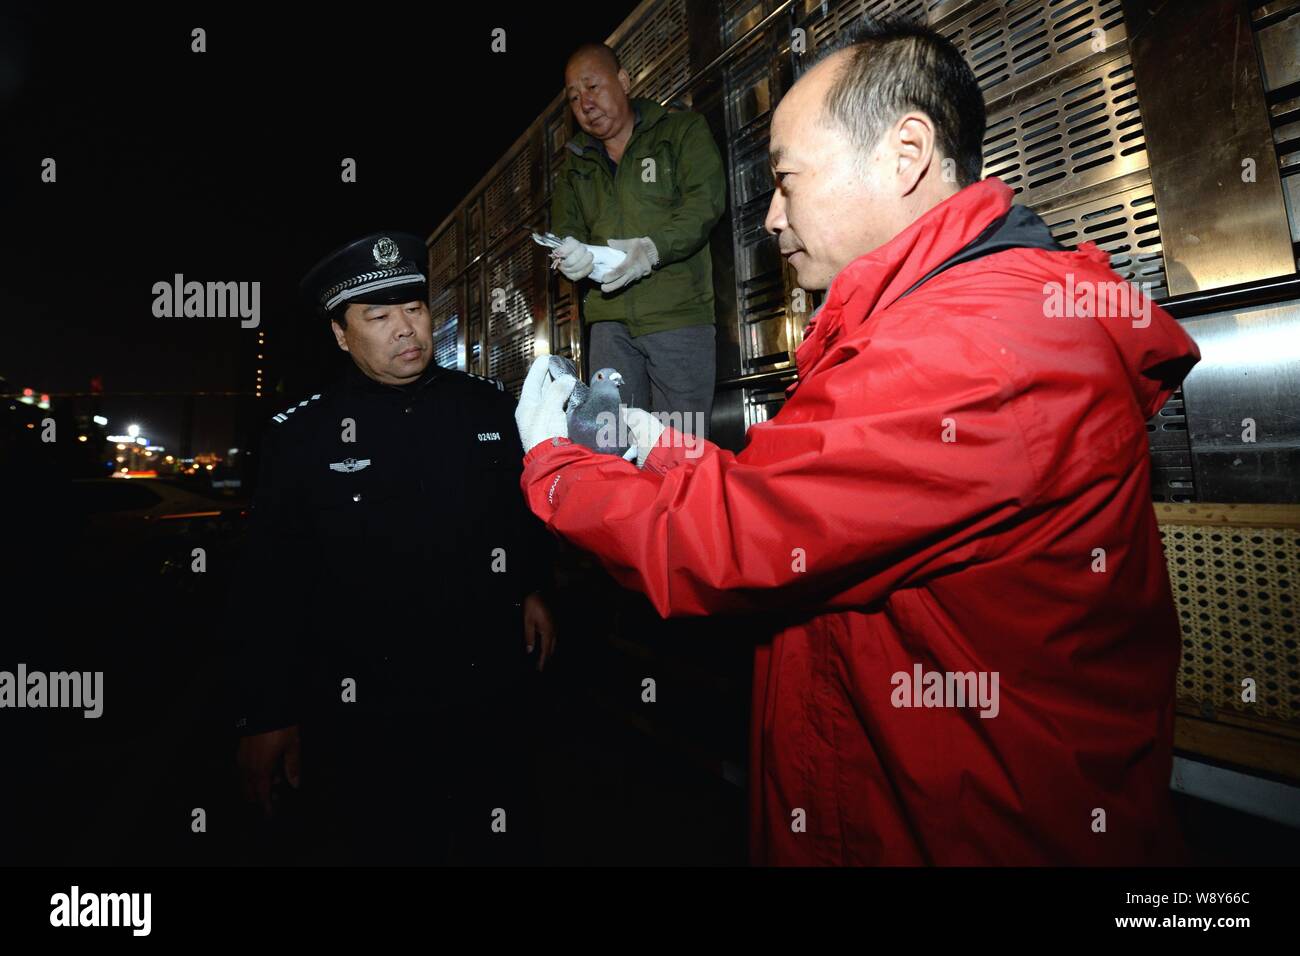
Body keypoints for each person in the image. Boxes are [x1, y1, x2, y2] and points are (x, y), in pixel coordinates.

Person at [513, 19, 1200, 865]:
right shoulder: (942, 322)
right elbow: (805, 492)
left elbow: (738, 538)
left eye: (786, 181)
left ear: (904, 154)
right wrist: (653, 443)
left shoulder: (968, 348)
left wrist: (555, 469)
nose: (769, 217)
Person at [232, 232, 557, 865]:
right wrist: (266, 713)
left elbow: (515, 518)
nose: (405, 329)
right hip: (367, 713)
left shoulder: (485, 406)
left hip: (486, 696)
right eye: (379, 317)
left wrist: (532, 587)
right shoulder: (302, 434)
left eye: (414, 309)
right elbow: (269, 580)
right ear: (340, 334)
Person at [549, 41, 726, 441]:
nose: (585, 103)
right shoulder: (576, 166)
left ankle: (685, 504)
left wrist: (653, 248)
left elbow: (705, 203)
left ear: (624, 81)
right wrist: (570, 254)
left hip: (678, 319)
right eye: (575, 98)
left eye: (592, 87)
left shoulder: (680, 131)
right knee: (610, 443)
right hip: (608, 323)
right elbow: (566, 230)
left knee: (682, 445)